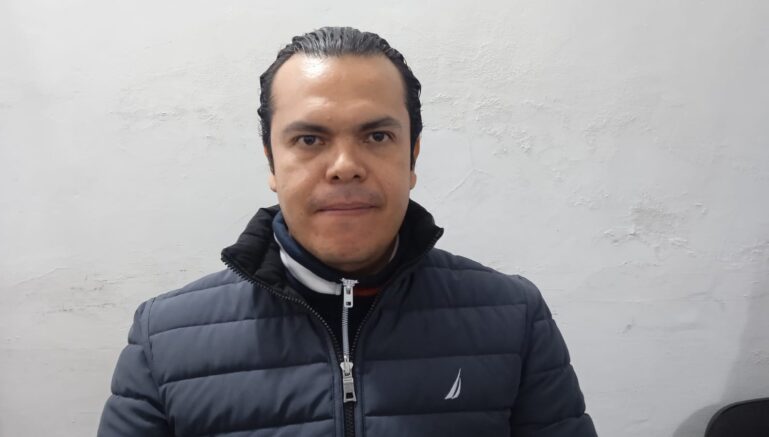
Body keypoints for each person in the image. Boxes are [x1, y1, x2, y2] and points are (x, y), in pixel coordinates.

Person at [98, 26, 598, 437]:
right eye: (309, 139)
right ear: (272, 161)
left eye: (376, 136)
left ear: (412, 157)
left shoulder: (513, 319)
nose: (344, 166)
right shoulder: (163, 339)